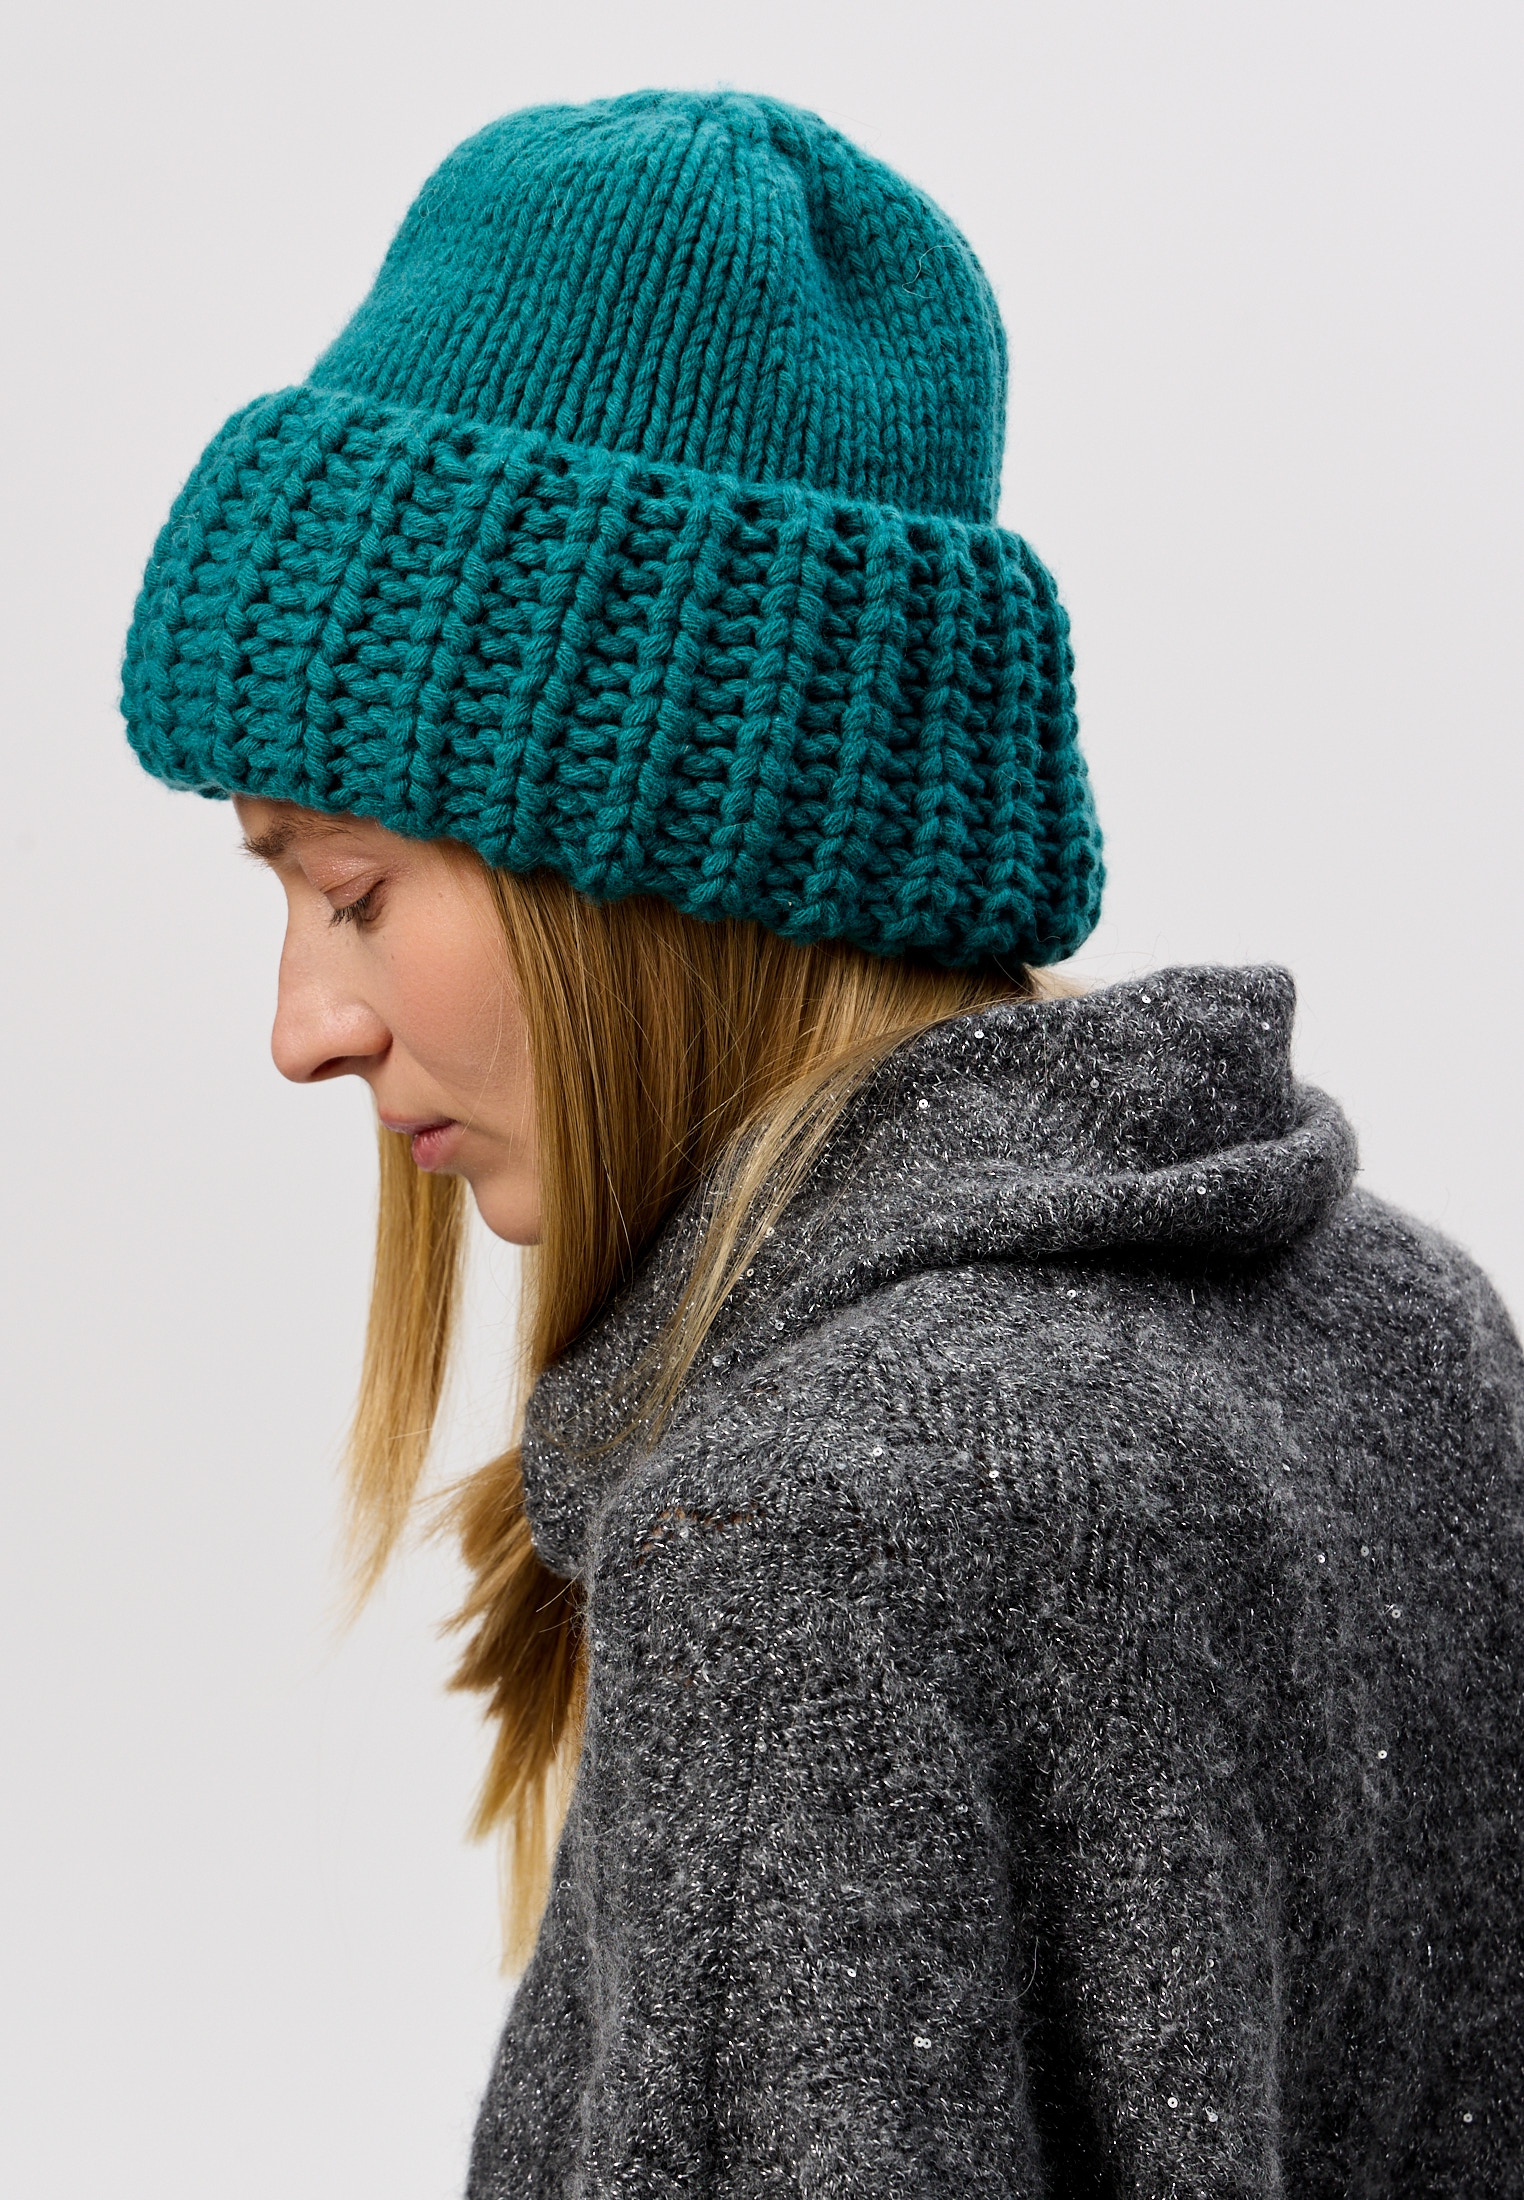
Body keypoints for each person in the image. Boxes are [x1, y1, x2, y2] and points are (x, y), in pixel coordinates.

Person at [121, 87, 1521, 2198]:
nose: (304, 1026)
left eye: (352, 888)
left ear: (647, 859)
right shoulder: (1405, 1327)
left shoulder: (806, 1542)